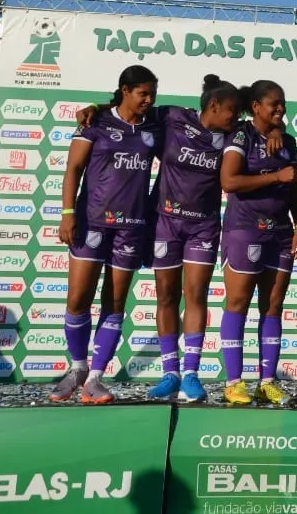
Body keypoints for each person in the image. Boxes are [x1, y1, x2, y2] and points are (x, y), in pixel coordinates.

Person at [73, 75, 245, 402]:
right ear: (213, 105)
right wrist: (96, 107)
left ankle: (192, 374)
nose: (236, 118)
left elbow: (263, 129)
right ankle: (170, 372)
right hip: (165, 221)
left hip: (203, 226)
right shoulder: (171, 117)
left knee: (196, 295)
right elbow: (127, 110)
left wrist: (277, 132)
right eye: (231, 112)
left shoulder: (234, 133)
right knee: (166, 296)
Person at [51, 66, 164, 404]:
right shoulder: (95, 122)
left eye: (152, 93)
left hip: (132, 227)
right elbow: (73, 168)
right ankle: (77, 368)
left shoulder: (153, 127)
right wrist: (68, 213)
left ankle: (96, 378)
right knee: (77, 299)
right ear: (125, 90)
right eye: (143, 93)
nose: (149, 99)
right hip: (91, 223)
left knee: (114, 303)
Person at [219, 80, 297, 406]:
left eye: (283, 103)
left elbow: (293, 186)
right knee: (238, 302)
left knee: (273, 307)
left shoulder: (288, 142)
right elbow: (229, 181)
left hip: (280, 232)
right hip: (245, 229)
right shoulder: (241, 135)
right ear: (256, 107)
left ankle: (267, 382)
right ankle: (233, 382)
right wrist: (274, 176)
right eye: (274, 104)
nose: (280, 109)